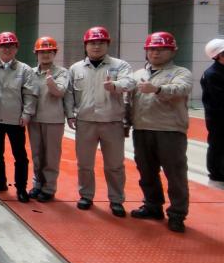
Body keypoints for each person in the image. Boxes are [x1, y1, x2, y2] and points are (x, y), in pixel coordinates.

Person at [65, 26, 135, 217]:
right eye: (92, 43)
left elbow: (130, 83)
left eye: (101, 43)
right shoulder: (76, 68)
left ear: (107, 44)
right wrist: (70, 114)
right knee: (84, 164)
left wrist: (115, 85)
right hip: (85, 122)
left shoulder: (120, 65)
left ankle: (116, 199)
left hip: (112, 122)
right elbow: (69, 94)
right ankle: (86, 195)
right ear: (85, 45)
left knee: (115, 165)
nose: (96, 46)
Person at [128, 32, 192, 233]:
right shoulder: (138, 74)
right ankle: (152, 206)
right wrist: (126, 122)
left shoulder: (180, 72)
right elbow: (129, 101)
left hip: (169, 130)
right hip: (141, 129)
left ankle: (177, 214)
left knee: (175, 174)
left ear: (172, 51)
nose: (156, 53)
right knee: (146, 172)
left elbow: (182, 89)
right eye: (152, 49)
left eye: (162, 49)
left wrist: (157, 89)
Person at [0, 32, 36, 203]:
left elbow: (30, 94)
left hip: (16, 120)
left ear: (16, 48)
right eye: (3, 46)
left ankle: (21, 188)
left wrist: (27, 114)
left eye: (11, 46)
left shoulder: (24, 70)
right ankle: (0, 182)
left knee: (20, 155)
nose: (7, 49)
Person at [27, 37, 68, 202]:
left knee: (51, 156)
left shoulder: (62, 72)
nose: (45, 55)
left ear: (54, 53)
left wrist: (51, 83)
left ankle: (49, 188)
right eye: (42, 52)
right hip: (35, 120)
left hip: (53, 120)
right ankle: (37, 184)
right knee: (37, 155)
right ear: (36, 54)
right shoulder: (31, 72)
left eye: (49, 52)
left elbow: (60, 92)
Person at [201, 38, 224, 183]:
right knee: (217, 144)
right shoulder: (212, 74)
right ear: (219, 55)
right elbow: (219, 98)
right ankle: (216, 173)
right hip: (218, 117)